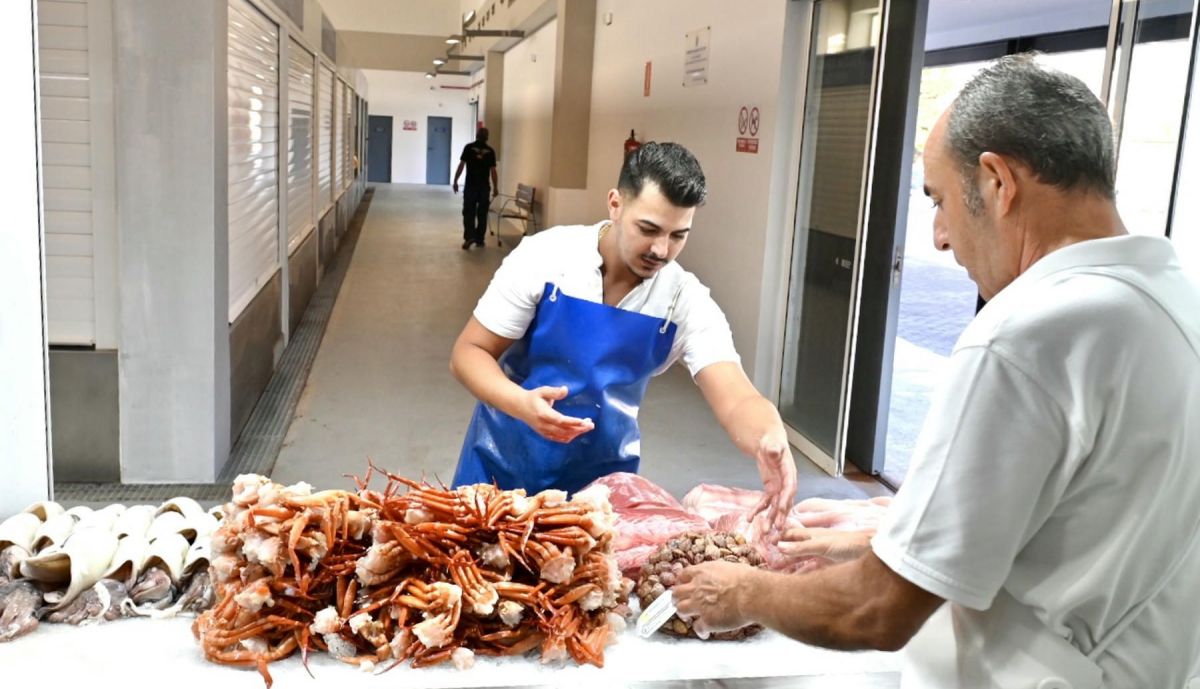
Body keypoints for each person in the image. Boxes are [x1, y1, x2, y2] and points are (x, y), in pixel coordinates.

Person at [672, 54, 1200, 688]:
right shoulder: (1172, 301)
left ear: (999, 183)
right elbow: (1079, 518)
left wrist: (740, 592)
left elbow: (878, 612)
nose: (941, 237)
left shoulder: (1026, 335)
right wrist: (884, 540)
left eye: (940, 200)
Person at [448, 142, 797, 531]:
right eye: (648, 229)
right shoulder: (547, 257)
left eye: (679, 235)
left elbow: (736, 396)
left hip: (600, 491)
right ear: (615, 204)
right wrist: (520, 403)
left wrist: (769, 433)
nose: (661, 250)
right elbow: (469, 352)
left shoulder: (682, 299)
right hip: (499, 472)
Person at [452, 127, 498, 250]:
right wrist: (496, 187)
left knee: (468, 212)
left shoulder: (468, 148)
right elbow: (493, 171)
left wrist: (456, 180)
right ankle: (479, 239)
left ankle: (469, 238)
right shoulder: (490, 151)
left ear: (476, 135)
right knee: (482, 214)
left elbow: (461, 165)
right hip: (484, 188)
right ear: (487, 137)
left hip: (471, 186)